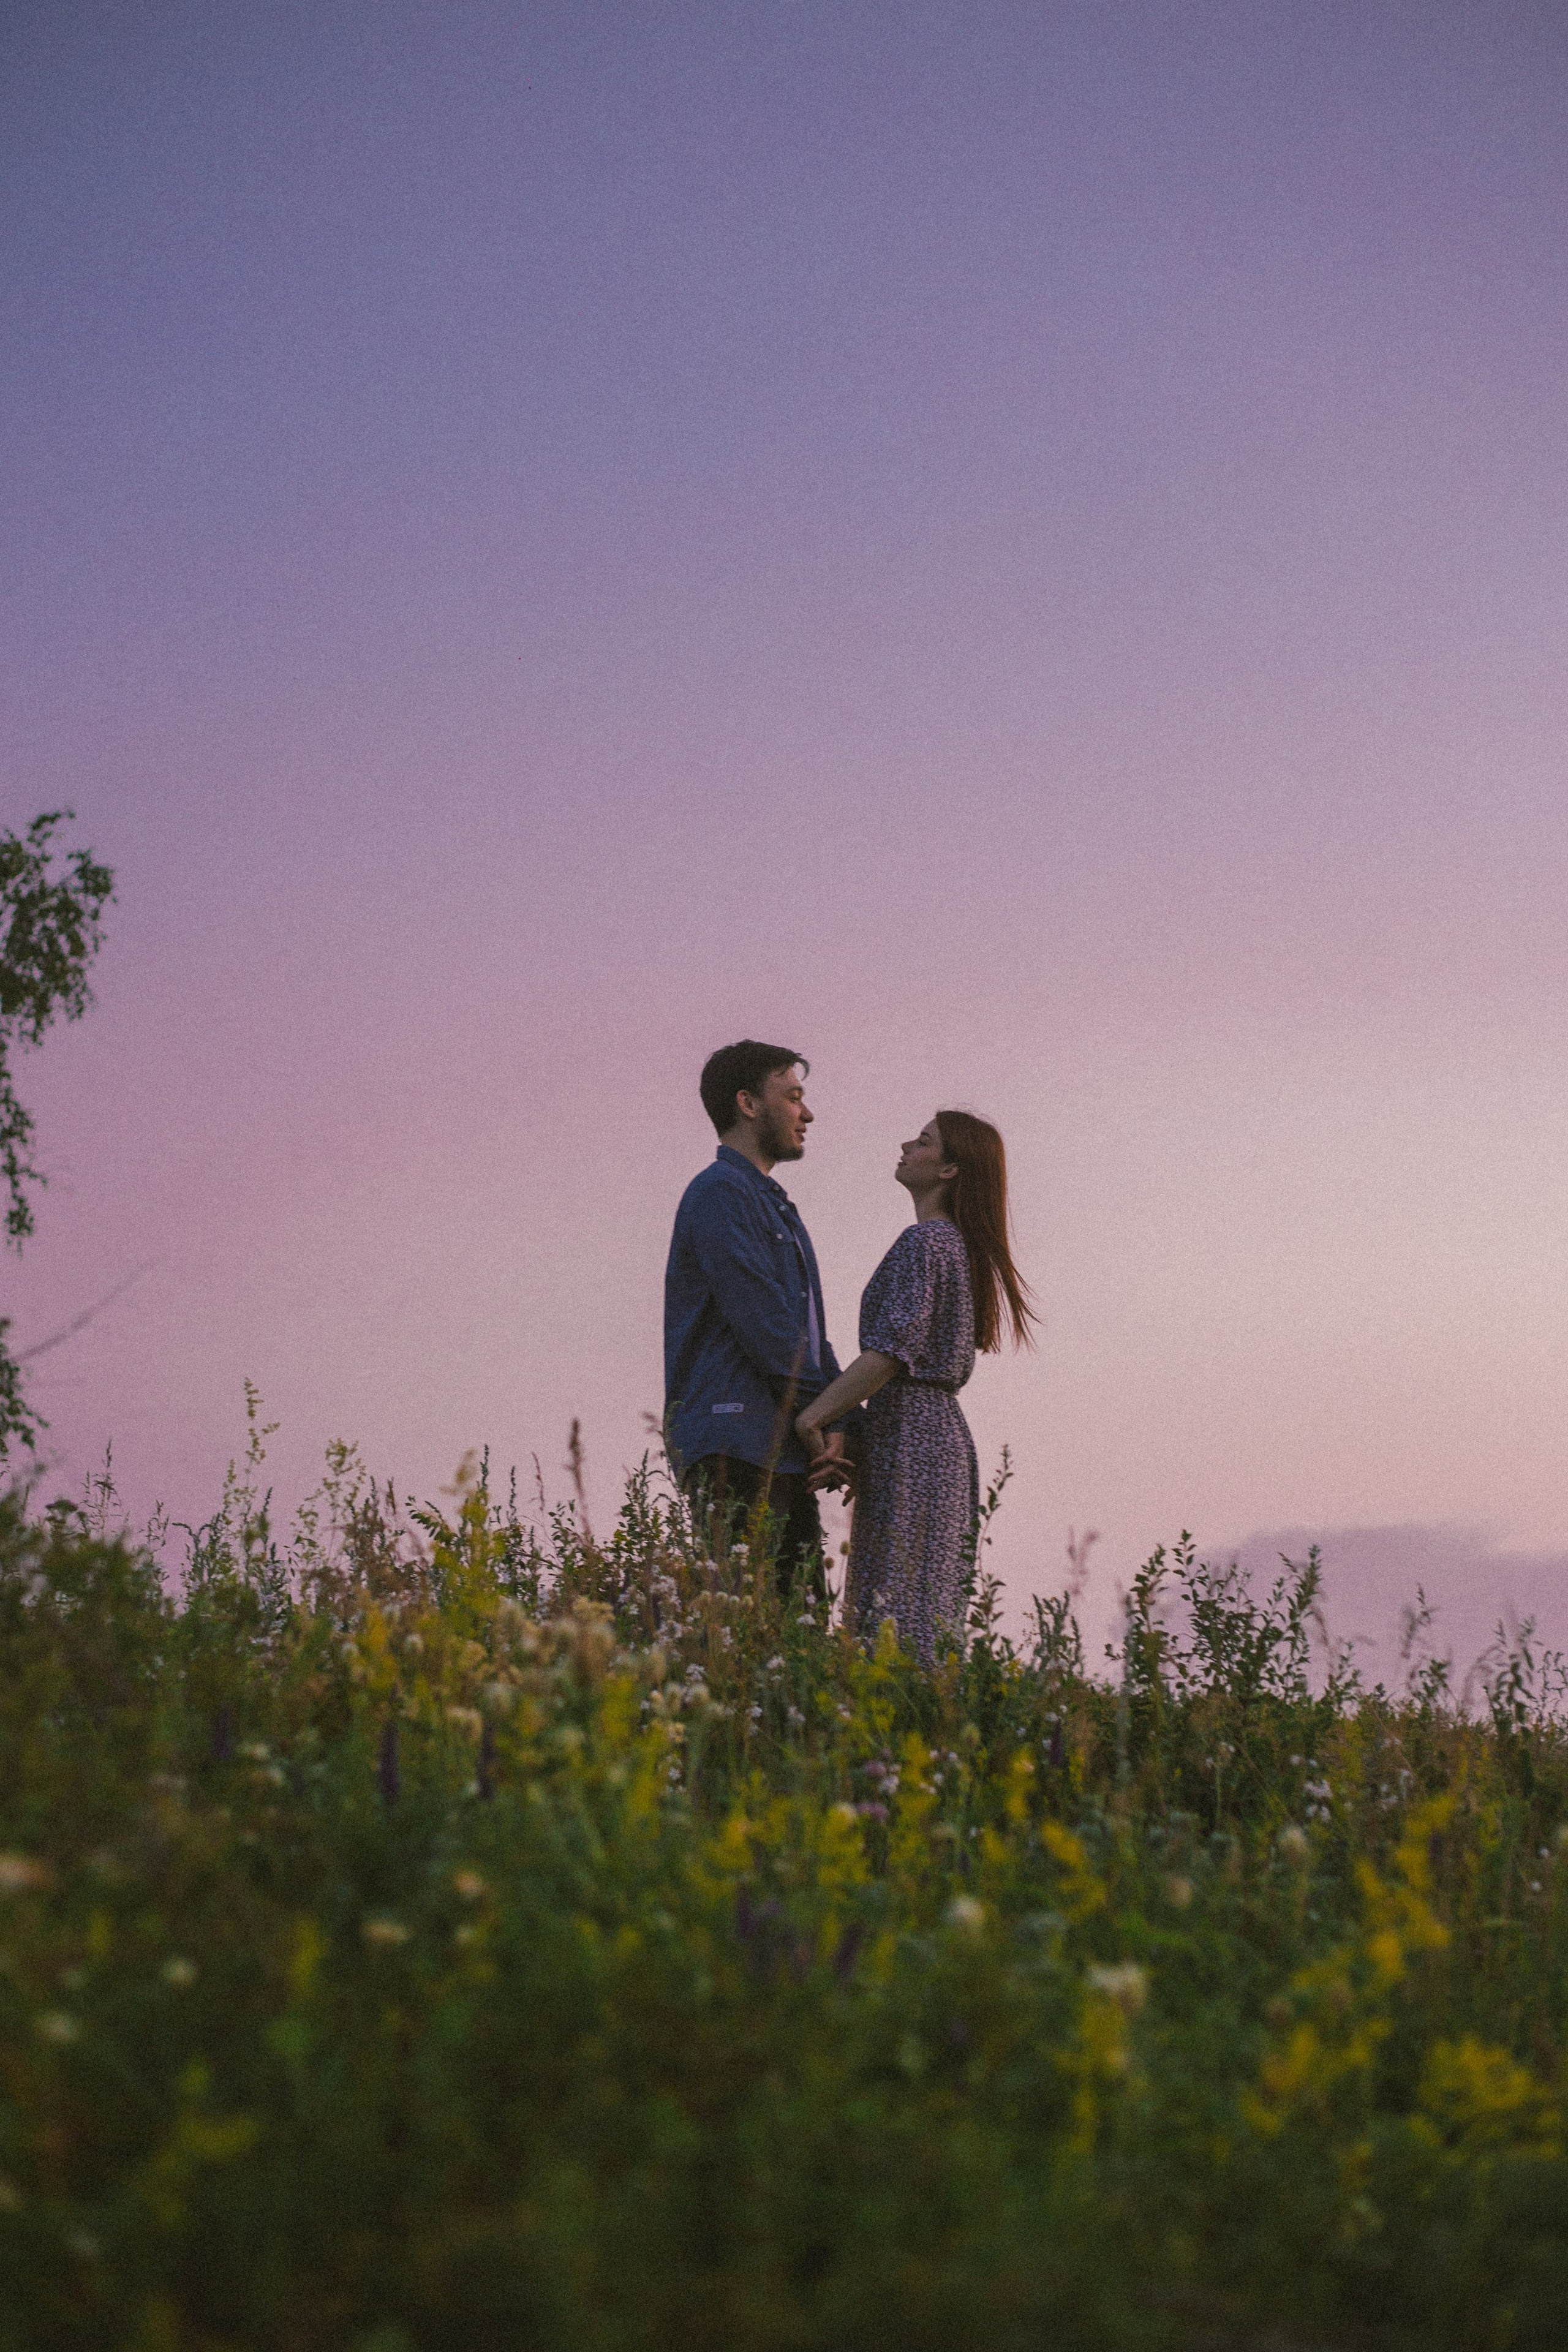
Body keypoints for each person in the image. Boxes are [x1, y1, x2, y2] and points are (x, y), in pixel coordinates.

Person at [796, 1110, 1035, 1659]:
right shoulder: (954, 1247)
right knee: (921, 1609)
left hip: (914, 1434)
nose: (907, 1143)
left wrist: (814, 1416)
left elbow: (888, 1355)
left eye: (924, 1141)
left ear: (950, 1169)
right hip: (933, 1433)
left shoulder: (926, 1244)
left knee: (895, 1611)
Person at [664, 1041, 853, 1595]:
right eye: (793, 1096)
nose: (807, 1112)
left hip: (777, 1449)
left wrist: (842, 1423)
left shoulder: (771, 1204)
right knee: (759, 1634)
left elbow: (807, 1338)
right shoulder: (720, 1192)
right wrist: (827, 1417)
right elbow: (768, 1327)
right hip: (736, 1444)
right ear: (748, 1104)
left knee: (797, 1638)